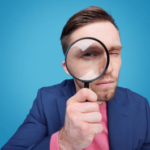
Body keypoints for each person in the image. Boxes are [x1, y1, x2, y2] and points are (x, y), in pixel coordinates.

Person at [1, 6, 150, 150]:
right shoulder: (46, 101)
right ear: (67, 67)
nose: (109, 68)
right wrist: (64, 143)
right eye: (89, 54)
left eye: (114, 52)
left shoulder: (140, 105)